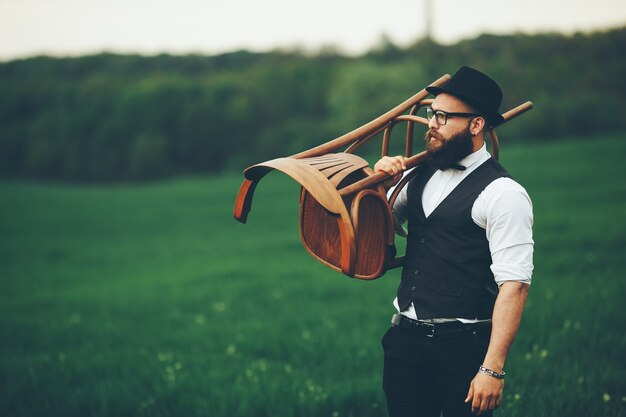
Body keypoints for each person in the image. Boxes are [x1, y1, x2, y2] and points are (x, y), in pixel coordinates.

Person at [374, 66, 533, 417]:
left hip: (463, 348)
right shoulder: (417, 174)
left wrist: (492, 369)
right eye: (433, 113)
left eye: (443, 117)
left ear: (476, 125)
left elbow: (515, 286)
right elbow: (379, 230)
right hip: (404, 342)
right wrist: (381, 186)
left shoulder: (504, 193)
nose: (431, 123)